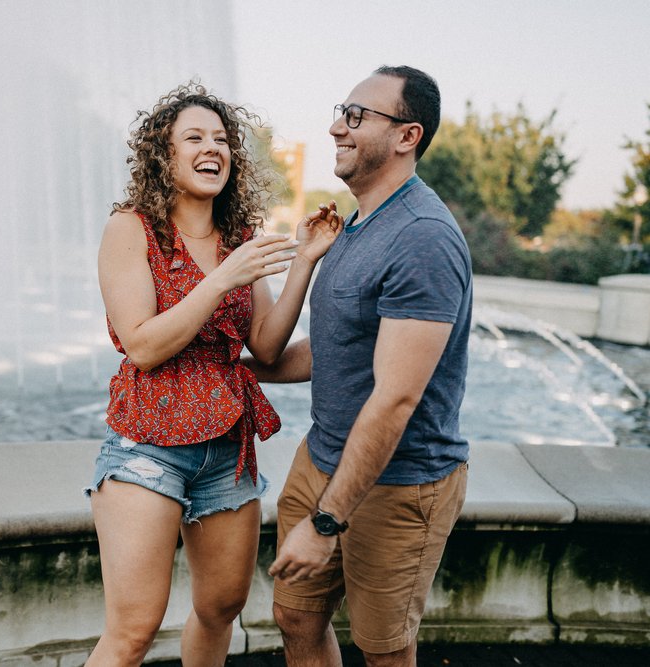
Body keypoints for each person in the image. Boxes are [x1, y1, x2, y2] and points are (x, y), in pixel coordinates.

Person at [84, 82, 342, 667]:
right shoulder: (132, 229)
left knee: (222, 607)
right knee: (133, 629)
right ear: (164, 155)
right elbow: (143, 346)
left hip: (228, 448)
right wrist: (224, 279)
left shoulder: (237, 241)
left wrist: (302, 261)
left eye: (222, 138)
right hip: (148, 444)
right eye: (194, 137)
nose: (213, 148)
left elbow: (268, 348)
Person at [253, 66, 473, 666]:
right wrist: (228, 371)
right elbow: (333, 353)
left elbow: (395, 398)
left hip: (401, 485)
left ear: (407, 136)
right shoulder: (354, 223)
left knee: (384, 651)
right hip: (321, 457)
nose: (334, 127)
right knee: (296, 616)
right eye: (339, 112)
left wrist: (326, 523)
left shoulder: (422, 238)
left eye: (355, 116)